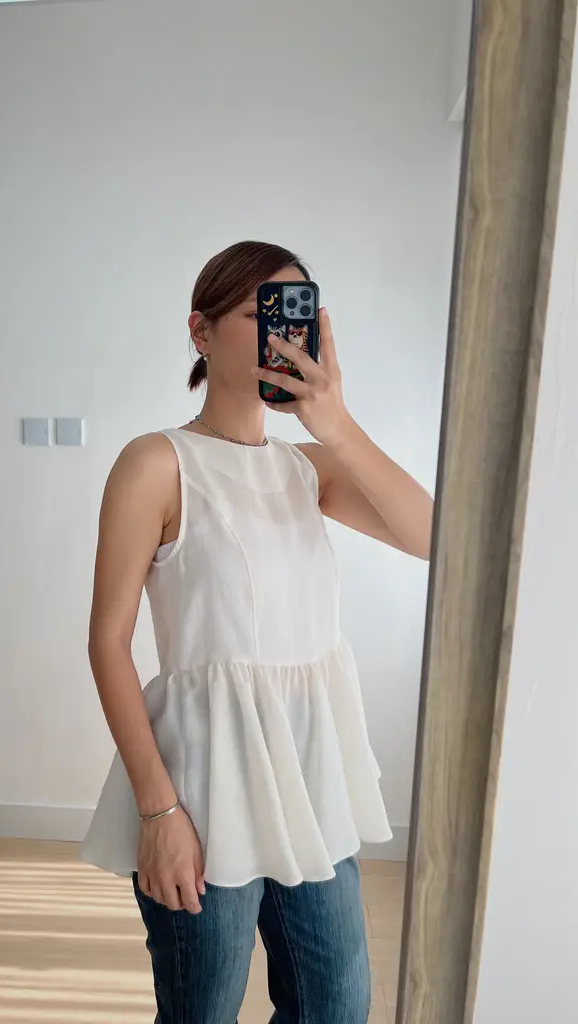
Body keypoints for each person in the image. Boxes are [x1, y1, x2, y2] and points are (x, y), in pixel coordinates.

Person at [80, 240, 433, 1023]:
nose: (284, 335)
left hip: (310, 780)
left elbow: (434, 536)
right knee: (203, 1007)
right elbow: (108, 643)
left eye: (296, 316)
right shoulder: (156, 463)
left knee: (336, 1005)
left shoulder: (309, 469)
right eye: (260, 313)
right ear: (200, 332)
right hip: (202, 788)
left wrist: (337, 426)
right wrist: (159, 813)